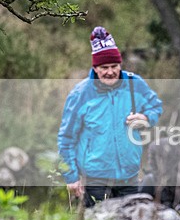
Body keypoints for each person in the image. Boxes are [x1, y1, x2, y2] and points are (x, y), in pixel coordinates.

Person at [58, 26, 163, 208]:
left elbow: (156, 106)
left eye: (114, 66)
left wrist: (145, 119)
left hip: (129, 177)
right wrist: (72, 177)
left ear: (120, 65)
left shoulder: (134, 84)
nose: (110, 72)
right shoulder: (80, 94)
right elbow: (66, 138)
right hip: (95, 180)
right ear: (95, 69)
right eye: (104, 67)